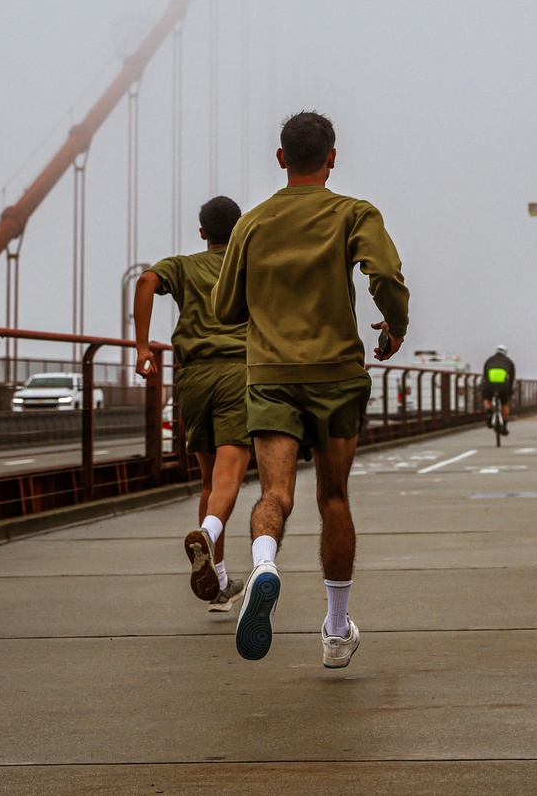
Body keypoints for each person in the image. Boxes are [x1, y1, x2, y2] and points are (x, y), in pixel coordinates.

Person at [212, 110, 410, 669]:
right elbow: (387, 276)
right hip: (337, 378)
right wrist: (395, 326)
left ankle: (265, 565)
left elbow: (226, 309)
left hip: (272, 378)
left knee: (275, 495)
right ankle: (336, 627)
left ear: (280, 159)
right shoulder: (353, 213)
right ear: (331, 158)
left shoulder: (251, 223)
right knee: (334, 499)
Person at [134, 196, 250, 611]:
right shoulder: (246, 264)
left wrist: (143, 346)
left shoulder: (183, 265)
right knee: (229, 477)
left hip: (194, 377)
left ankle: (219, 584)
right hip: (239, 373)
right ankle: (207, 533)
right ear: (238, 231)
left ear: (202, 233)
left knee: (207, 481)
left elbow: (146, 280)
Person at [482, 344, 516, 433]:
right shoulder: (509, 361)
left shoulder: (489, 360)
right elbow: (512, 377)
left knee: (486, 398)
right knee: (505, 403)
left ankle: (489, 410)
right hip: (503, 385)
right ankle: (504, 425)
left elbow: (485, 375)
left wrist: (485, 387)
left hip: (489, 384)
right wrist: (510, 390)